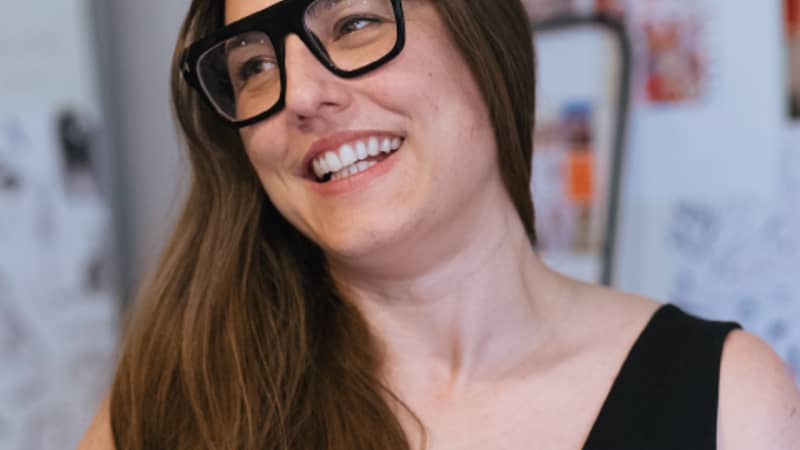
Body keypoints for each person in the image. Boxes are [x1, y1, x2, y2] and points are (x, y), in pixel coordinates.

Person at [78, 0, 800, 448]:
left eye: (354, 23)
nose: (298, 95)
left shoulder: (725, 401)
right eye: (254, 68)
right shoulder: (180, 403)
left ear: (480, 37)